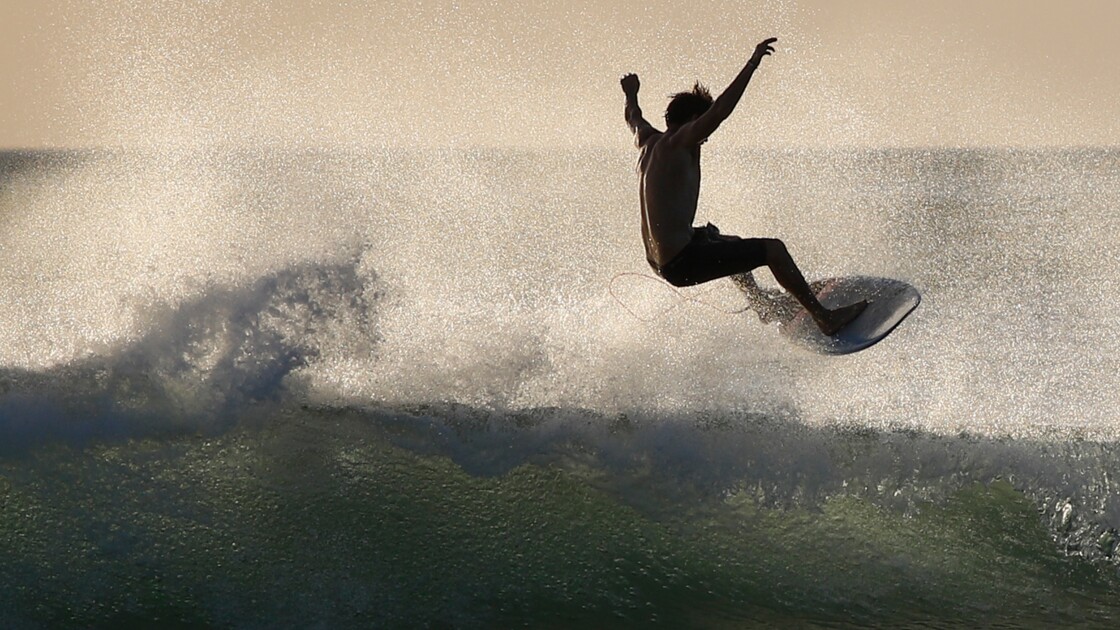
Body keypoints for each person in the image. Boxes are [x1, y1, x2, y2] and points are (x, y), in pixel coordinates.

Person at [620, 37, 866, 336]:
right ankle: (824, 318)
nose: (706, 136)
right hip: (680, 263)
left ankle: (764, 303)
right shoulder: (680, 142)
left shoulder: (647, 140)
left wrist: (631, 93)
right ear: (694, 120)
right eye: (704, 127)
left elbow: (633, 116)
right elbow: (721, 110)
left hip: (659, 261)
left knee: (724, 240)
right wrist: (753, 62)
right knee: (773, 250)